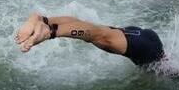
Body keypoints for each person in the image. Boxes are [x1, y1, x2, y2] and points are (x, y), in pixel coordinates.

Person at [14, 12, 165, 67]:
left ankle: (43, 20)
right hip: (147, 48)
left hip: (137, 36)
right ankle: (49, 30)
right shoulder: (163, 66)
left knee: (98, 32)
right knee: (99, 34)